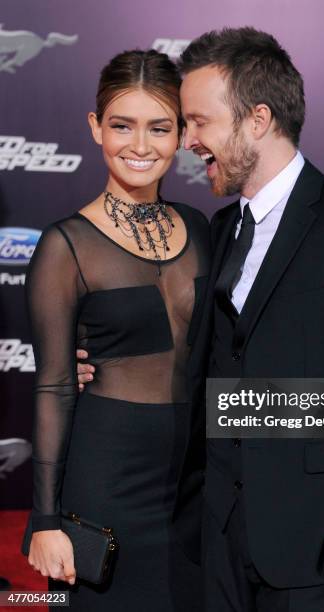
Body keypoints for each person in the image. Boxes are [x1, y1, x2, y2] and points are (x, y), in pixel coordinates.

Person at [78, 28, 324, 612]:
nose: (187, 141)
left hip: (315, 539)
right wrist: (97, 361)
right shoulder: (216, 232)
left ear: (258, 119)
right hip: (213, 536)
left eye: (199, 122)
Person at [25, 49, 210, 611]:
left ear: (180, 134)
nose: (140, 145)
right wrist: (46, 519)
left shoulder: (202, 227)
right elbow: (55, 386)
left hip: (197, 480)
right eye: (121, 125)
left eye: (159, 127)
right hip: (107, 477)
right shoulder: (65, 246)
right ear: (94, 127)